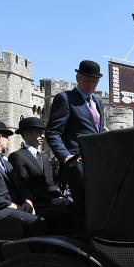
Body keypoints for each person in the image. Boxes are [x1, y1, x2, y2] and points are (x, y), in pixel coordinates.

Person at [46, 60, 105, 210]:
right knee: (82, 208)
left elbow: (98, 132)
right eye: (88, 80)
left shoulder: (97, 101)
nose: (92, 85)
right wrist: (66, 157)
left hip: (97, 163)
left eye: (95, 81)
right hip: (77, 165)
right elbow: (52, 132)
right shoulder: (65, 99)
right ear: (78, 78)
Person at [9, 117, 74, 227]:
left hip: (49, 202)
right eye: (39, 133)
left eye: (42, 133)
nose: (43, 136)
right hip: (35, 205)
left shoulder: (44, 157)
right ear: (26, 134)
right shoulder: (18, 156)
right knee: (66, 216)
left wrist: (59, 197)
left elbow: (50, 184)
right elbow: (25, 186)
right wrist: (51, 201)